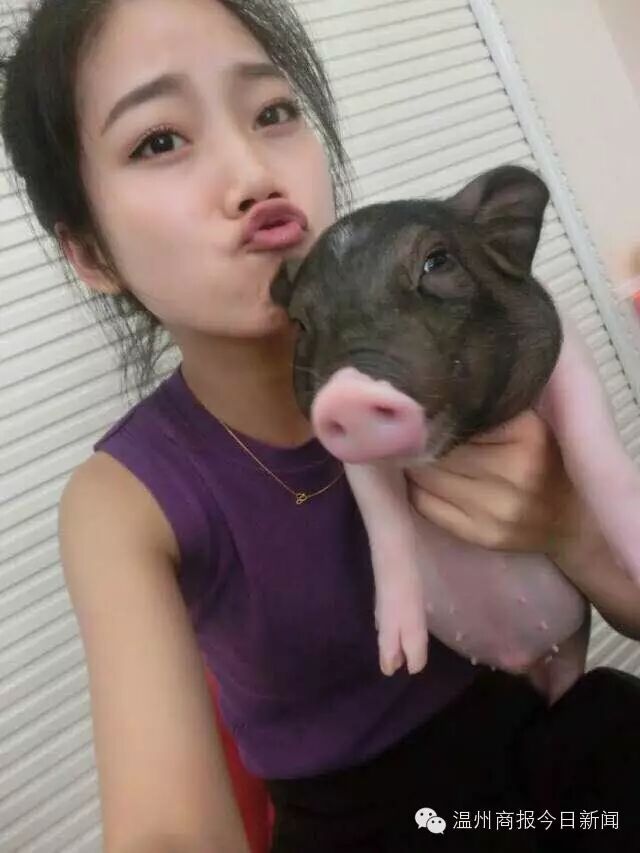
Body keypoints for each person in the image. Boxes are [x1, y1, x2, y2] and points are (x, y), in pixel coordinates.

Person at [2, 1, 639, 851]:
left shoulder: (468, 343)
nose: (251, 172)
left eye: (273, 112)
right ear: (91, 254)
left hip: (570, 759)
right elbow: (167, 831)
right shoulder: (124, 500)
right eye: (159, 140)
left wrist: (568, 523)